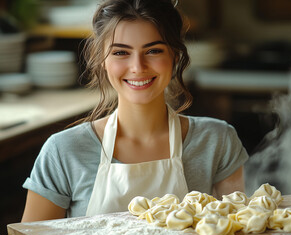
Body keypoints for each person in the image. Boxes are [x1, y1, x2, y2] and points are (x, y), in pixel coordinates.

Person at [21, 0, 248, 221]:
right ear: (101, 59)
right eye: (121, 52)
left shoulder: (217, 141)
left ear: (175, 56)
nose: (138, 67)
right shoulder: (63, 152)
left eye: (154, 51)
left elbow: (244, 230)